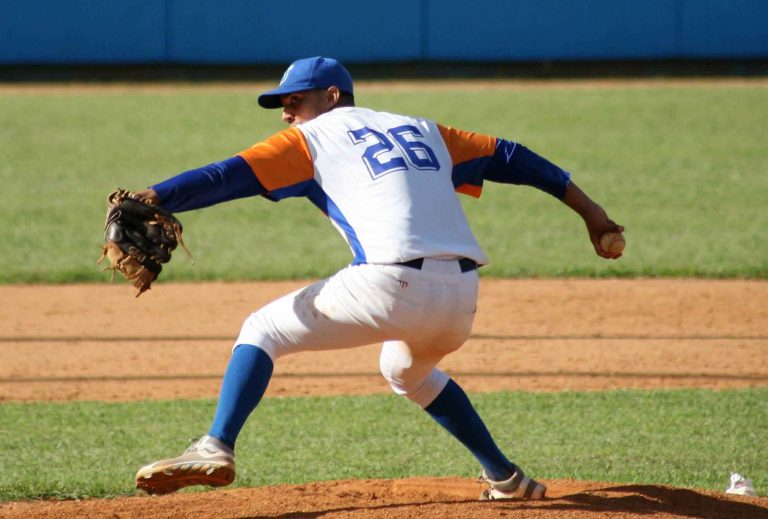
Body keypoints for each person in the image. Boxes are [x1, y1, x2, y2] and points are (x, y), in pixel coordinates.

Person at [133, 56, 623, 500]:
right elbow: (512, 156)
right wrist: (592, 213)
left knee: (263, 330)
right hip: (460, 298)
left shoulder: (311, 137)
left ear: (332, 96)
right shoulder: (422, 128)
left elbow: (226, 175)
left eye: (295, 101)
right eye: (283, 105)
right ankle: (506, 478)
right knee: (407, 372)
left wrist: (155, 196)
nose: (287, 113)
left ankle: (217, 444)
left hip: (390, 285)